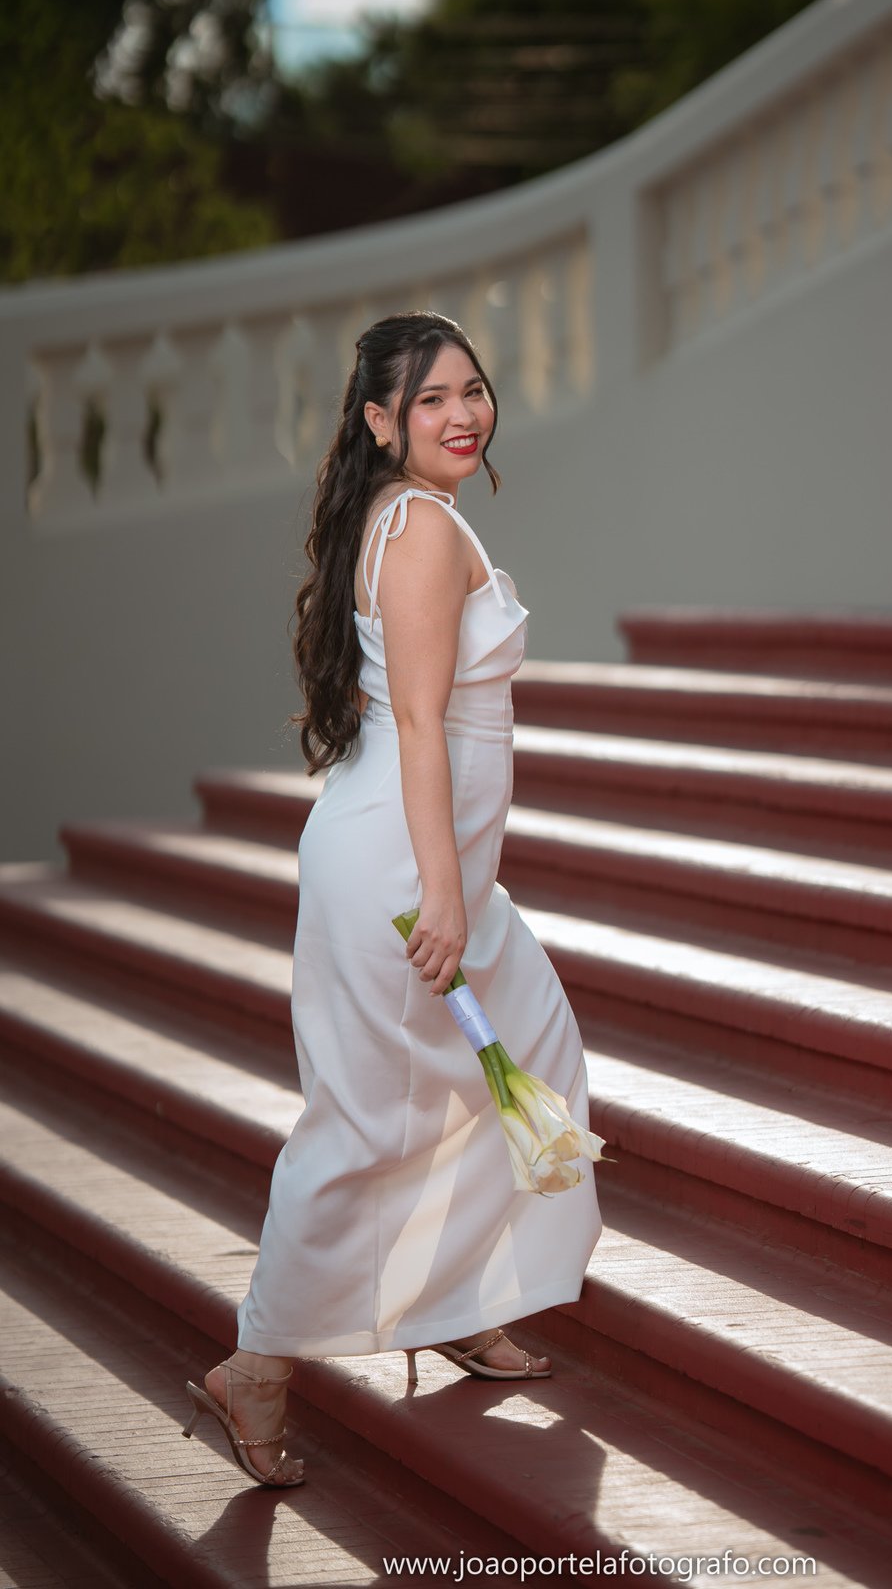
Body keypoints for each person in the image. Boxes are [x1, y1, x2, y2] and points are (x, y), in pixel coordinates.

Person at [182, 311, 602, 1487]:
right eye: (430, 399)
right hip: (405, 873)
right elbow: (420, 722)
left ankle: (451, 1299)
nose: (463, 414)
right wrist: (445, 898)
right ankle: (256, 1367)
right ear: (380, 421)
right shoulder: (420, 530)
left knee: (525, 1056)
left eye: (473, 390)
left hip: (410, 859)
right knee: (367, 1121)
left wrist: (460, 888)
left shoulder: (411, 515)